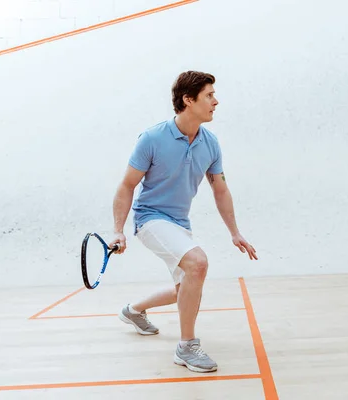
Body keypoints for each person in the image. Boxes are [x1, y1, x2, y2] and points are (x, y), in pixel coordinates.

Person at [109, 70, 258, 373]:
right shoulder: (152, 138)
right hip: (150, 219)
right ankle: (187, 347)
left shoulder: (210, 143)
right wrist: (118, 232)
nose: (216, 101)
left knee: (185, 290)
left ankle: (133, 310)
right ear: (188, 100)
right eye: (209, 95)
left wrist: (235, 232)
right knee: (198, 264)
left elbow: (220, 188)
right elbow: (127, 185)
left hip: (179, 223)